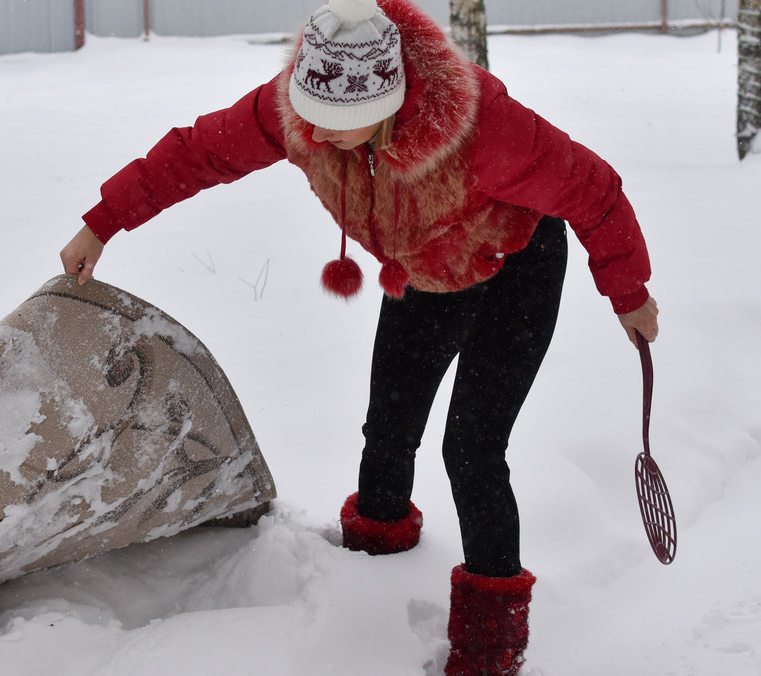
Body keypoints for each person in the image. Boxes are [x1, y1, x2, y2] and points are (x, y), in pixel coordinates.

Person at [59, 0, 659, 673]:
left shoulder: (482, 127)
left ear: (396, 95)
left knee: (472, 447)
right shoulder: (295, 111)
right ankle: (374, 559)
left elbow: (596, 192)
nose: (324, 133)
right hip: (425, 270)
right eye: (316, 117)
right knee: (389, 423)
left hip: (512, 265)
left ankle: (492, 642)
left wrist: (629, 295)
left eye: (345, 121)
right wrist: (103, 222)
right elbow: (196, 153)